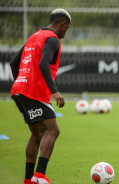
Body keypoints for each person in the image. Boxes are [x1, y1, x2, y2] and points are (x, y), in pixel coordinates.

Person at [10, 9, 71, 184]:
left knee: (37, 134)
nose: (66, 32)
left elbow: (14, 62)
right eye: (67, 28)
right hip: (34, 92)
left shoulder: (34, 37)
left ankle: (28, 180)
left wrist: (20, 87)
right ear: (62, 24)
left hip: (20, 90)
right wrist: (55, 91)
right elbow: (43, 63)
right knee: (53, 130)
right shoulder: (52, 39)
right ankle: (40, 176)